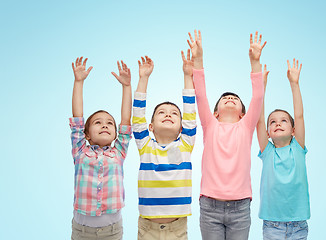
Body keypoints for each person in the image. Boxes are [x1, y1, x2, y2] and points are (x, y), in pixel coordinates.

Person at [188, 30, 265, 240]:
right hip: (210, 206)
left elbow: (258, 97)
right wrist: (198, 59)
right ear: (215, 112)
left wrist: (255, 63)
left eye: (234, 98)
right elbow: (201, 94)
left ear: (243, 113)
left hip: (240, 208)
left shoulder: (246, 126)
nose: (230, 98)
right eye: (225, 98)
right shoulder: (210, 125)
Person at [132, 54, 196, 240]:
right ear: (150, 127)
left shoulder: (185, 144)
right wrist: (144, 78)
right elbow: (137, 117)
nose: (168, 114)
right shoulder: (145, 146)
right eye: (161, 112)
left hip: (177, 227)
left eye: (174, 113)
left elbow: (190, 112)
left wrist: (187, 76)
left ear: (182, 128)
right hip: (147, 228)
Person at [69, 57, 132, 239]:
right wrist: (78, 82)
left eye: (110, 123)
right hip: (82, 231)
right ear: (86, 134)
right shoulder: (80, 151)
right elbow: (77, 118)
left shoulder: (118, 152)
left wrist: (126, 87)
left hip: (112, 231)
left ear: (116, 133)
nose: (104, 125)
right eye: (98, 122)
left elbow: (126, 121)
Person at [256, 59, 310, 239]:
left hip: (299, 225)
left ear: (293, 131)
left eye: (283, 120)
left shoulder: (298, 147)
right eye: (273, 122)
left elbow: (300, 116)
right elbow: (259, 118)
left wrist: (294, 84)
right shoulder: (267, 151)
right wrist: (261, 88)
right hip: (272, 225)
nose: (277, 123)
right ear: (268, 132)